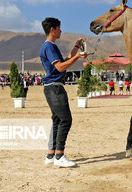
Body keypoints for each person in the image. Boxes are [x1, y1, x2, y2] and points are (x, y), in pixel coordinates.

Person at [40, 17, 87, 167]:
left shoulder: (50, 46)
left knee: (57, 120)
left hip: (52, 88)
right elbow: (61, 67)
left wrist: (76, 48)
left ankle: (51, 155)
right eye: (59, 28)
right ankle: (59, 156)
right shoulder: (49, 47)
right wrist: (79, 57)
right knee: (66, 120)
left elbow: (65, 60)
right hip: (54, 88)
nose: (61, 30)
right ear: (52, 29)